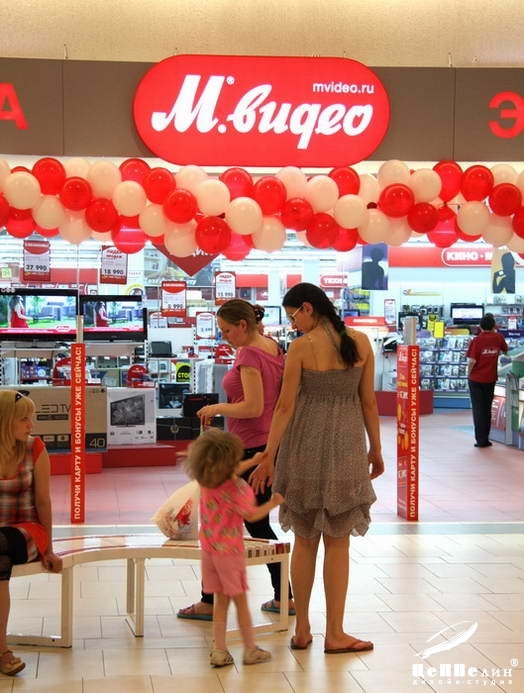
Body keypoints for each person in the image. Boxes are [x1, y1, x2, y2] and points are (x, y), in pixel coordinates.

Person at [249, 282, 384, 654]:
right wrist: (376, 448)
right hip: (347, 446)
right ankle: (336, 633)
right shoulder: (361, 342)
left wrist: (268, 455)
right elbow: (368, 402)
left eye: (293, 317)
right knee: (338, 542)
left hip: (303, 445)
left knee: (305, 539)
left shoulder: (301, 347)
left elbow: (285, 406)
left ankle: (303, 629)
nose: (293, 325)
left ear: (308, 308)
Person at [177, 299, 294, 620]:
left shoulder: (248, 353)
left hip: (248, 447)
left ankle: (210, 601)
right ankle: (284, 597)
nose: (225, 337)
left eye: (227, 330)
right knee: (257, 525)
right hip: (266, 445)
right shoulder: (272, 347)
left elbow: (252, 406)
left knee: (221, 525)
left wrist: (216, 408)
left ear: (243, 325)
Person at [185, 427, 284, 667]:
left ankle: (219, 650)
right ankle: (250, 649)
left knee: (220, 604)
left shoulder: (206, 482)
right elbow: (252, 515)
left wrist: (253, 460)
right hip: (230, 554)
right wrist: (273, 502)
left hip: (209, 552)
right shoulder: (237, 488)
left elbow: (227, 470)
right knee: (240, 603)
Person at [0, 390, 62, 676]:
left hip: (27, 531)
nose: (31, 425)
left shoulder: (34, 448)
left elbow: (43, 501)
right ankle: (2, 650)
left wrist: (49, 549)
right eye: (24, 419)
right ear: (5, 421)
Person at [466, 313, 509, 447]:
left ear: (480, 326)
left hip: (476, 379)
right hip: (490, 379)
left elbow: (472, 361)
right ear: (493, 326)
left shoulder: (477, 340)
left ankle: (481, 440)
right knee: (487, 408)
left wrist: (468, 373)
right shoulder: (498, 338)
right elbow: (505, 350)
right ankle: (486, 437)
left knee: (478, 409)